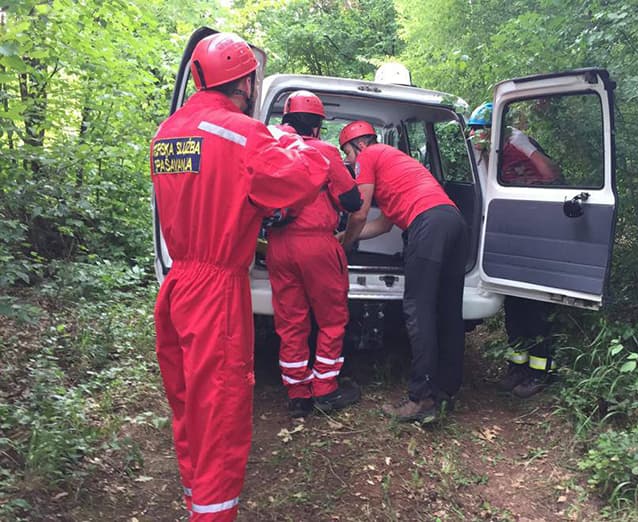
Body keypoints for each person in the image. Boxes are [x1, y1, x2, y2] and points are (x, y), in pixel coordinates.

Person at [151, 33, 329, 520]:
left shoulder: (167, 132)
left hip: (177, 284)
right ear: (246, 82)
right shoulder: (243, 134)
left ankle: (196, 500)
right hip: (216, 290)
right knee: (221, 415)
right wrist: (299, 143)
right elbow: (300, 180)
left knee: (189, 405)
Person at [339, 121, 468, 423]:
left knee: (418, 309)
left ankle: (421, 398)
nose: (348, 160)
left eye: (347, 153)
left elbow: (359, 213)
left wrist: (344, 245)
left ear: (360, 145)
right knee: (448, 310)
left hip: (428, 224)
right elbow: (383, 225)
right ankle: (446, 389)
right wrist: (346, 237)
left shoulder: (369, 155)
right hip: (453, 221)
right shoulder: (396, 162)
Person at [266, 90, 363, 418]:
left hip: (279, 245)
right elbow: (352, 201)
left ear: (286, 120)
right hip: (317, 245)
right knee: (331, 318)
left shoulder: (274, 149)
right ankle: (325, 388)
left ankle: (297, 394)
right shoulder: (323, 152)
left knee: (290, 320)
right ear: (318, 126)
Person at [468, 101, 561, 397]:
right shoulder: (488, 152)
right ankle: (517, 367)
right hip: (512, 234)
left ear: (495, 129)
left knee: (537, 307)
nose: (475, 137)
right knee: (515, 306)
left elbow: (550, 174)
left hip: (539, 232)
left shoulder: (519, 143)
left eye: (480, 131)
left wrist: (525, 151)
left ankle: (540, 372)